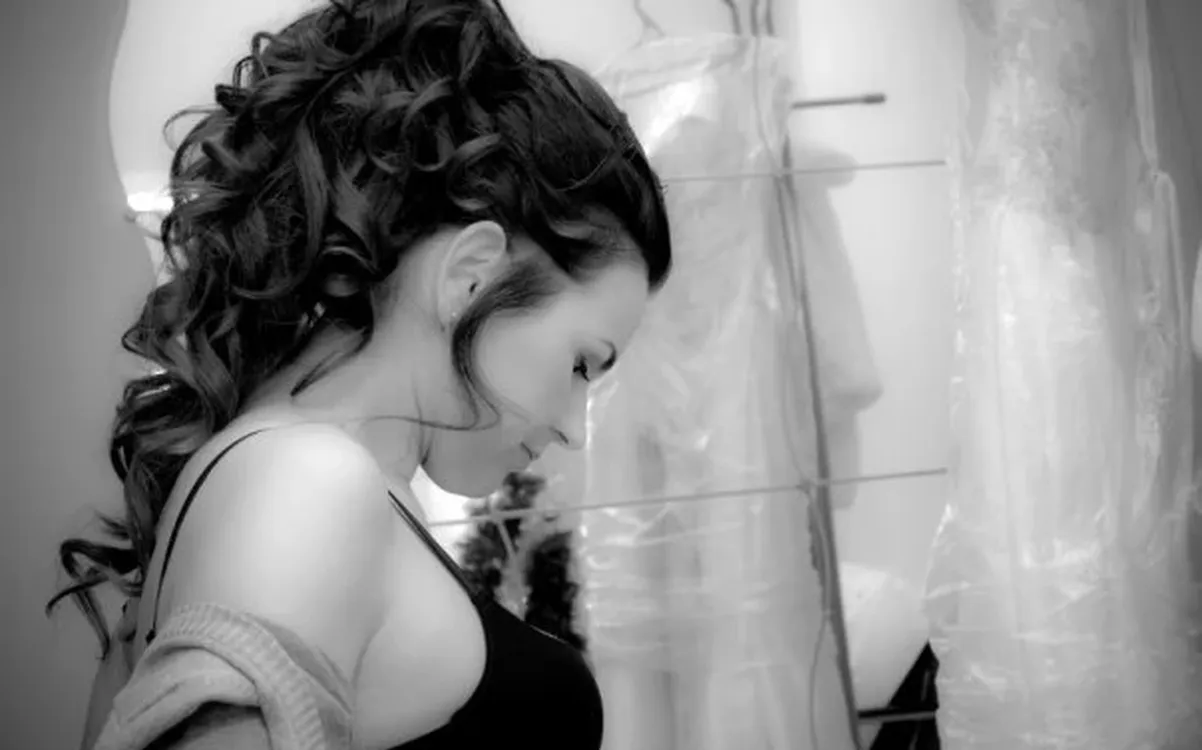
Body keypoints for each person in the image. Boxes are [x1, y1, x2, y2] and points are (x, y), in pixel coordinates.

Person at [47, 1, 672, 747]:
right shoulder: (307, 483)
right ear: (471, 276)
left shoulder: (299, 477)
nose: (573, 428)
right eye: (580, 365)